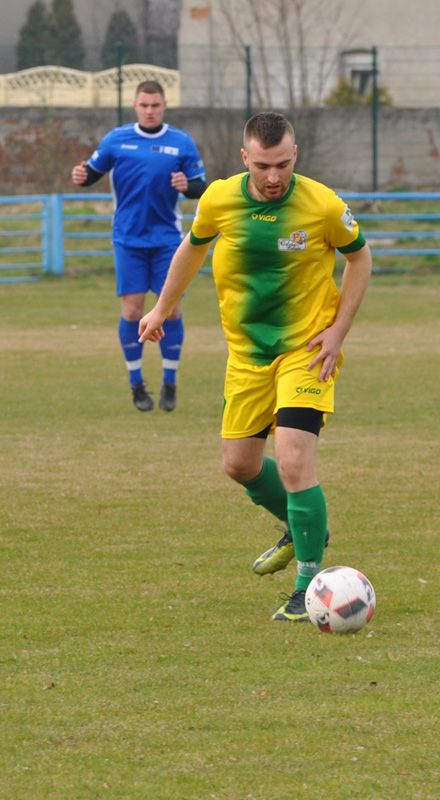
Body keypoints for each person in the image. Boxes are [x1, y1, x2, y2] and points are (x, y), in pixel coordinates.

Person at [139, 111, 372, 622]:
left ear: (295, 156)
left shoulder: (322, 205)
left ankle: (308, 586)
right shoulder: (218, 199)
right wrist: (161, 308)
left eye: (283, 164)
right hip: (247, 354)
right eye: (263, 165)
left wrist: (337, 332)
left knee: (292, 460)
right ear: (245, 158)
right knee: (240, 465)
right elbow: (192, 249)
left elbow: (360, 258)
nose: (273, 177)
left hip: (306, 351)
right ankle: (304, 526)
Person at [72, 79, 206, 412]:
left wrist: (187, 185)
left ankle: (170, 381)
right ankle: (136, 384)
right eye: (144, 105)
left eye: (155, 105)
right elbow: (91, 172)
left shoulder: (181, 142)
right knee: (133, 311)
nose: (149, 111)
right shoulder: (116, 139)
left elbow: (201, 186)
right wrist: (81, 176)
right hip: (128, 239)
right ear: (135, 105)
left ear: (164, 106)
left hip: (167, 241)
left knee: (171, 310)